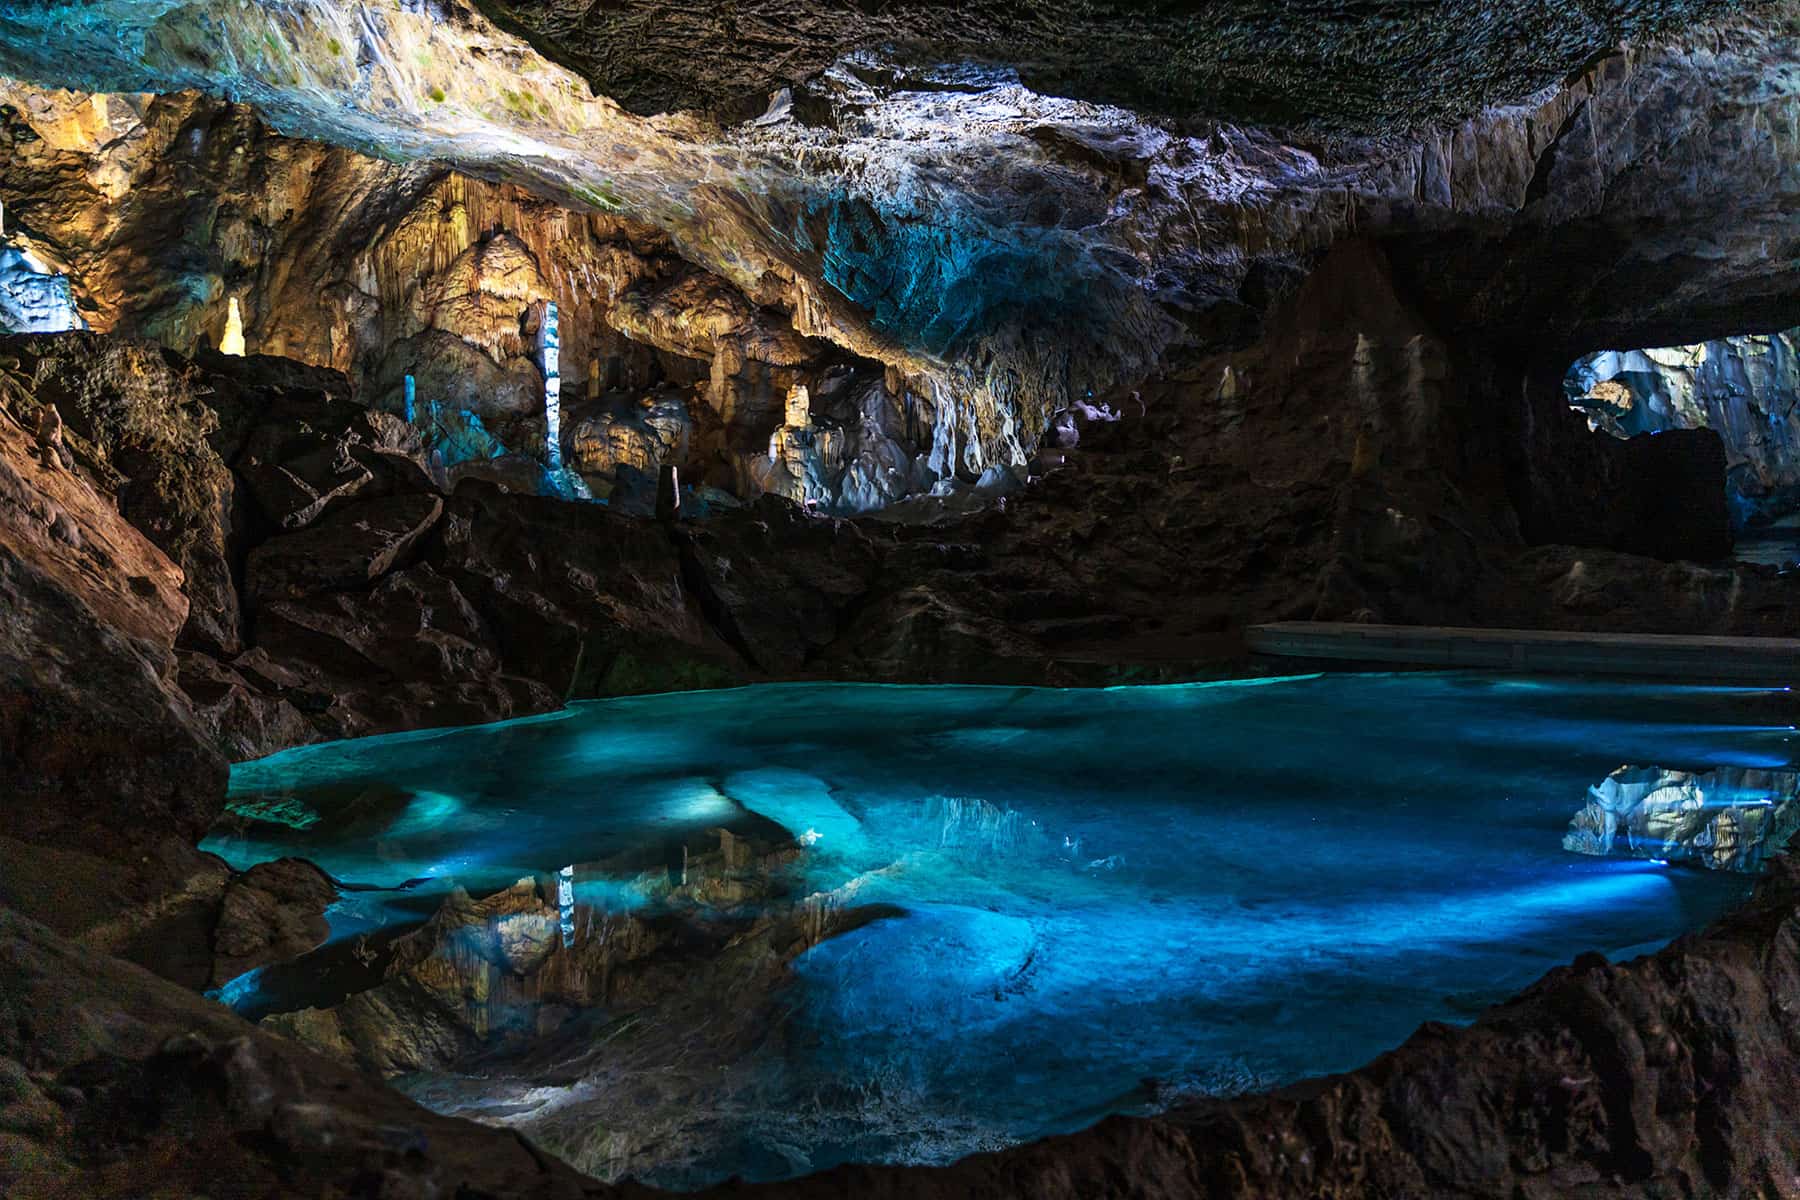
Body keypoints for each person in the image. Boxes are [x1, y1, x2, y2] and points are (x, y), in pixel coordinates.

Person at [35, 403, 72, 470]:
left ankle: (68, 465)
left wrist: (52, 436)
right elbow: (43, 424)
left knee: (61, 453)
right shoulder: (47, 415)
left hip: (54, 441)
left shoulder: (55, 418)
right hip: (47, 438)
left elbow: (55, 429)